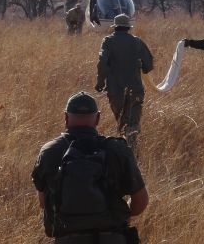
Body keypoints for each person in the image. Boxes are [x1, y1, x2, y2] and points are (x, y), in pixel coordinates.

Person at [32, 91, 149, 243]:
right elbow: (140, 201)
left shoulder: (49, 152)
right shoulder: (117, 149)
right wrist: (117, 213)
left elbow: (43, 203)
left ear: (66, 118)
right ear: (98, 118)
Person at [95, 14, 153, 153]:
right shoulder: (137, 42)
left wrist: (100, 82)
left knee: (121, 120)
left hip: (116, 90)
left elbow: (102, 62)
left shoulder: (108, 41)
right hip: (136, 89)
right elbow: (149, 64)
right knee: (133, 122)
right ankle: (131, 151)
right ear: (128, 27)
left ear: (115, 27)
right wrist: (143, 68)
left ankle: (125, 152)